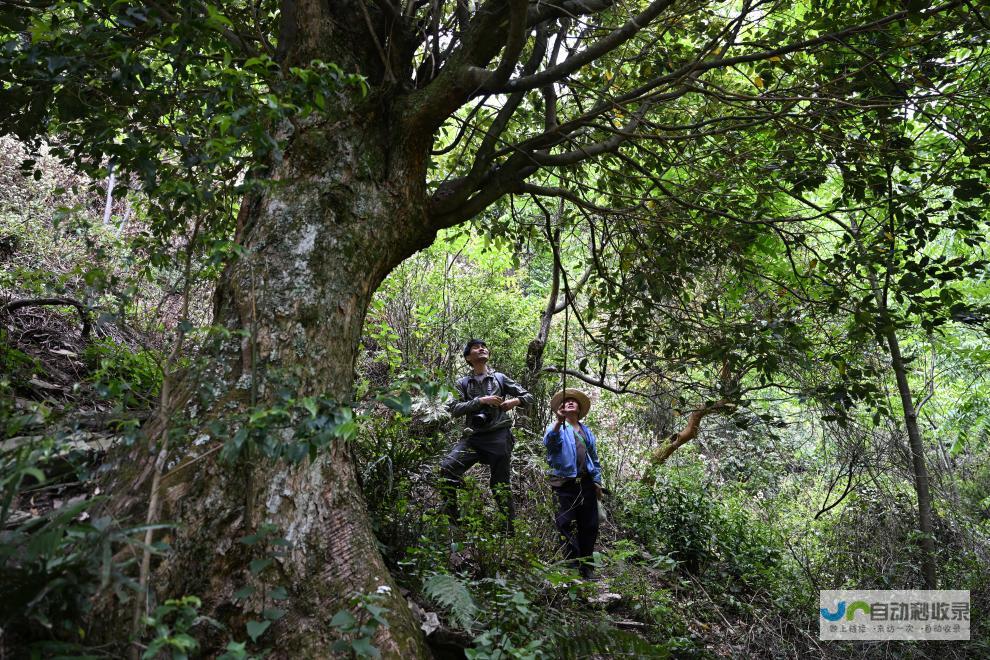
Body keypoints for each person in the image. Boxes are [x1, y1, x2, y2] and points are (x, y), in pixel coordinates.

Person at [442, 339, 533, 531]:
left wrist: (513, 402)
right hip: (473, 437)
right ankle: (453, 523)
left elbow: (528, 397)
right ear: (468, 357)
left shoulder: (499, 378)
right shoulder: (462, 383)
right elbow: (453, 409)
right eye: (476, 347)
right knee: (447, 469)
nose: (481, 348)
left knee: (500, 484)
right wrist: (481, 401)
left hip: (499, 435)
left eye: (484, 347)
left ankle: (509, 531)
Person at [543, 388, 604, 578]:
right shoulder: (557, 428)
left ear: (579, 408)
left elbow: (593, 457)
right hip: (564, 484)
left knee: (590, 525)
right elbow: (549, 444)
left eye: (573, 401)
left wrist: (597, 481)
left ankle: (587, 567)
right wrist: (558, 422)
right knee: (565, 523)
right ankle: (572, 564)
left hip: (586, 484)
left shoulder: (586, 431)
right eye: (566, 401)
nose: (570, 403)